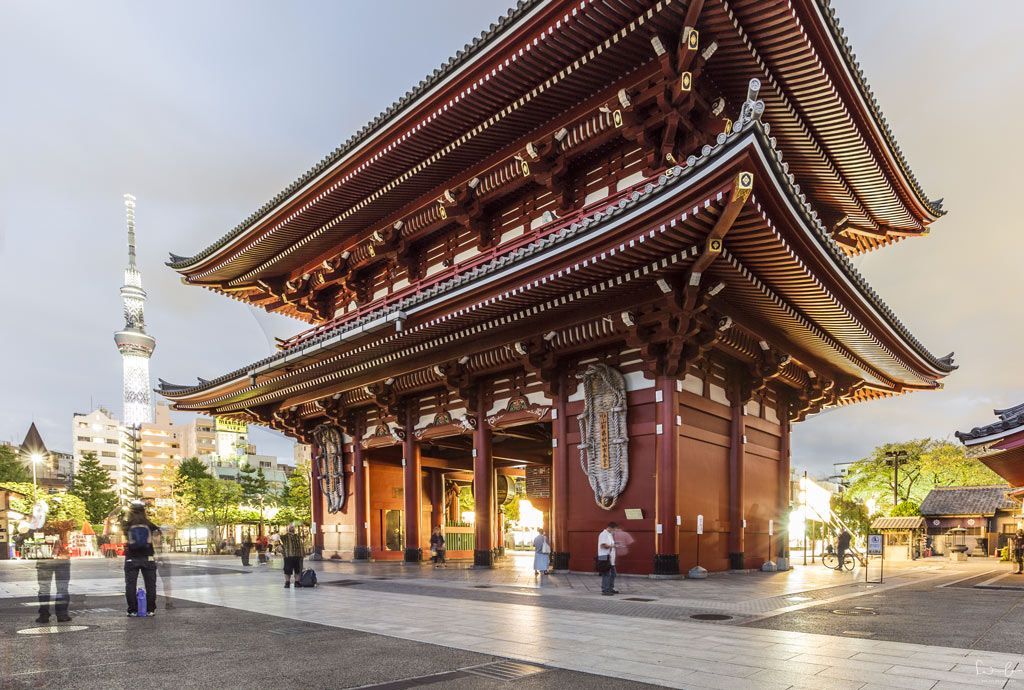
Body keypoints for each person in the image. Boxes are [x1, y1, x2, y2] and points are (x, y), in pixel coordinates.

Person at [121, 501, 161, 617]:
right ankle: (150, 610)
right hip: (148, 557)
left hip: (131, 558)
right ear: (144, 511)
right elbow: (158, 539)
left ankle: (132, 610)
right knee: (151, 585)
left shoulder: (127, 524)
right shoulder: (149, 524)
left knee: (130, 585)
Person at [36, 532, 71, 624]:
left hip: (45, 558)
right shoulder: (65, 526)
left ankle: (44, 615)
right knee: (62, 588)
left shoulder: (39, 522)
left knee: (44, 589)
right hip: (62, 559)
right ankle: (62, 614)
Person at [597, 522, 619, 595]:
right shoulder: (604, 534)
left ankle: (610, 588)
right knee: (606, 574)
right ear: (611, 528)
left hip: (610, 558)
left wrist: (614, 544)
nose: (615, 531)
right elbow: (603, 545)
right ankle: (605, 590)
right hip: (604, 556)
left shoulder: (610, 534)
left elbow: (609, 544)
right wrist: (613, 546)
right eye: (615, 529)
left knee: (613, 574)